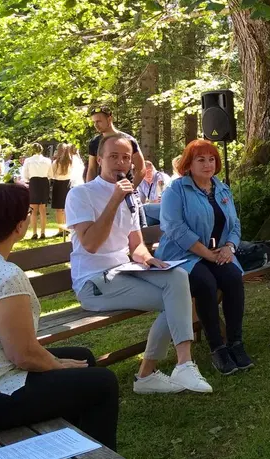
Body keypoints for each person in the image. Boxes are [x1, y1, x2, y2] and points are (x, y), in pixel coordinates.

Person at [0, 184, 119, 449]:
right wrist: (56, 366)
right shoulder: (4, 277)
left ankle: (69, 445)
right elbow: (23, 355)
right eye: (28, 213)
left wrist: (55, 364)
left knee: (82, 357)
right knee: (103, 383)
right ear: (19, 227)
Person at [66, 133, 212, 394]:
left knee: (178, 277)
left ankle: (180, 365)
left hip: (123, 272)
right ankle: (149, 375)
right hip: (94, 282)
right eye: (113, 156)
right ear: (99, 159)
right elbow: (90, 244)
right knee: (175, 300)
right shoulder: (81, 194)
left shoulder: (130, 196)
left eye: (125, 158)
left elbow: (136, 245)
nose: (120, 163)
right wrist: (114, 200)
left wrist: (149, 259)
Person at [155, 140, 254, 374]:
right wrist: (206, 253)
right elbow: (175, 227)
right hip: (183, 255)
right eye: (200, 160)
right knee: (205, 283)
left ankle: (235, 342)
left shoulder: (222, 188)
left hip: (217, 253)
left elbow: (234, 224)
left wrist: (230, 246)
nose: (207, 164)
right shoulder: (176, 190)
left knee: (233, 278)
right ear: (188, 164)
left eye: (211, 159)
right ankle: (217, 347)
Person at [85, 105, 145, 186]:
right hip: (102, 188)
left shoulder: (128, 141)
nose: (96, 125)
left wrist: (132, 187)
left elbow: (141, 168)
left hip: (124, 186)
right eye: (94, 122)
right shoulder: (94, 142)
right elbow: (91, 169)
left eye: (99, 121)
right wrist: (89, 188)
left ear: (109, 119)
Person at [21, 143, 51, 240]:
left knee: (33, 210)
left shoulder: (28, 160)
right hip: (44, 182)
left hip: (34, 182)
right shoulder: (47, 160)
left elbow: (25, 174)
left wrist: (28, 180)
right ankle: (43, 232)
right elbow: (50, 174)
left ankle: (34, 233)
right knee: (43, 209)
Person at [50, 143, 75, 232]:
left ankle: (60, 230)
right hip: (68, 184)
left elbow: (52, 174)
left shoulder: (56, 162)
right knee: (66, 208)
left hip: (58, 183)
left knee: (59, 209)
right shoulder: (71, 161)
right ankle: (67, 228)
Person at [138, 161, 169, 227]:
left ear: (153, 169)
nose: (147, 174)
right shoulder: (141, 182)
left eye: (149, 171)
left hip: (167, 207)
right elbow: (140, 201)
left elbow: (165, 198)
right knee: (146, 221)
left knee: (143, 208)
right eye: (145, 172)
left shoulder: (161, 177)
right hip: (155, 211)